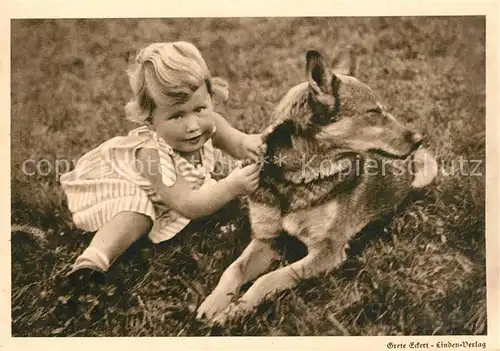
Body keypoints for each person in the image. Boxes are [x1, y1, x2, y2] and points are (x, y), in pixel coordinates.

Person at [59, 41, 264, 292]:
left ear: (211, 99)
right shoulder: (152, 156)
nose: (192, 125)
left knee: (210, 197)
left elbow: (238, 142)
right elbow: (188, 204)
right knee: (137, 214)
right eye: (177, 115)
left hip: (173, 193)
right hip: (125, 186)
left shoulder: (209, 124)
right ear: (150, 119)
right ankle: (91, 262)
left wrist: (251, 144)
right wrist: (231, 186)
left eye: (199, 108)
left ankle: (140, 240)